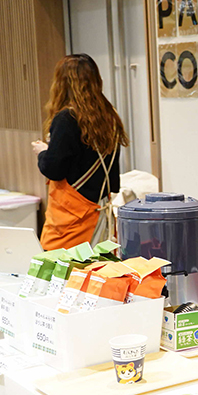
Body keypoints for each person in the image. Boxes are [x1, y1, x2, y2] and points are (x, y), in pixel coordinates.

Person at [32, 54, 127, 250]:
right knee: (96, 270)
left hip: (70, 217)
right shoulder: (110, 115)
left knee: (60, 271)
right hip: (100, 208)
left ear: (61, 83)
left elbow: (54, 169)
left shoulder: (67, 118)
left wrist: (43, 152)